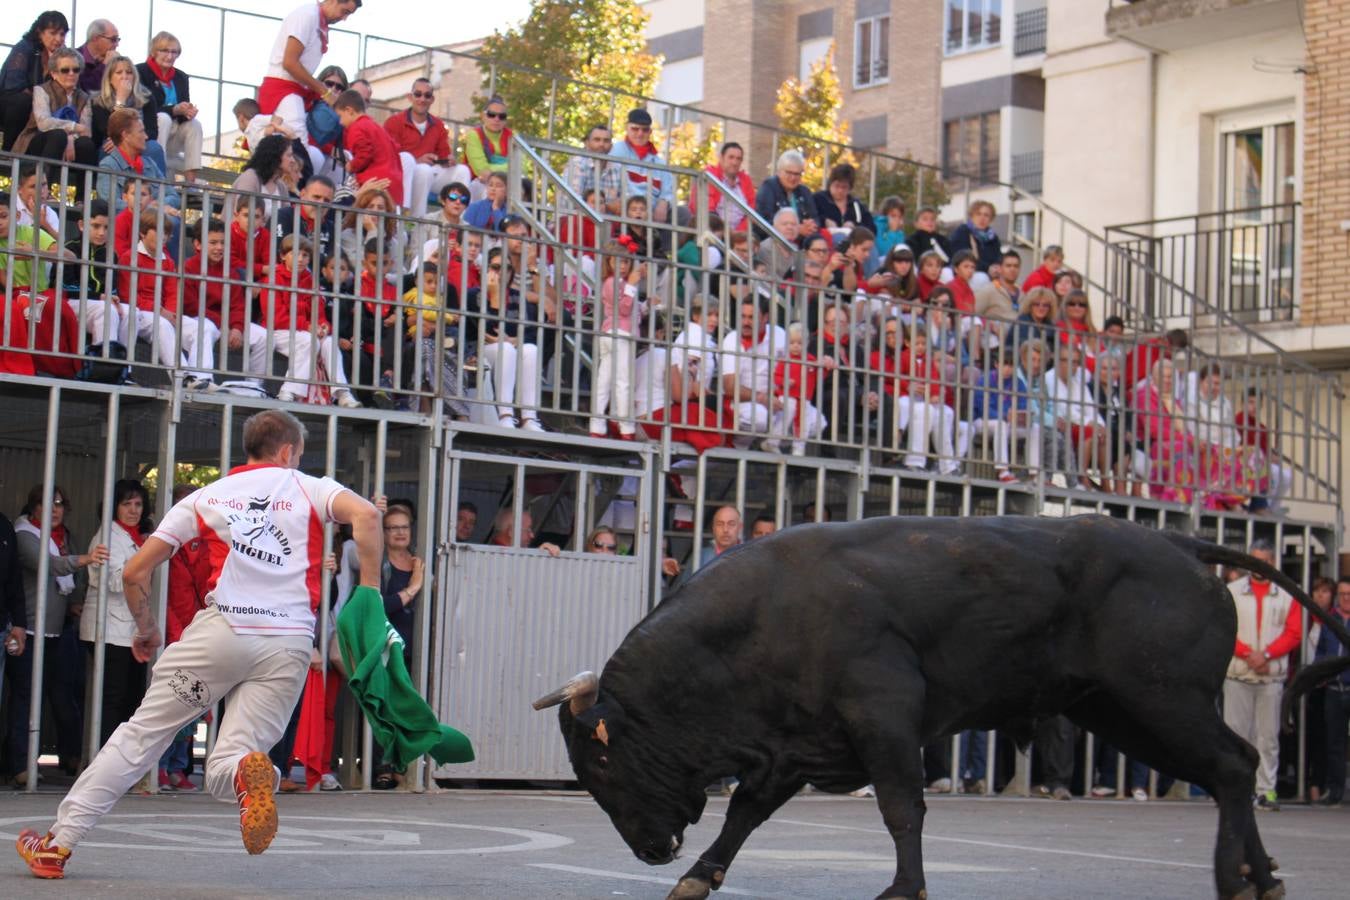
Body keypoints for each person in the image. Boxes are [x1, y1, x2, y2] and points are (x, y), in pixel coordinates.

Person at [15, 410, 383, 877]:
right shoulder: (310, 487)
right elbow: (368, 515)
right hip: (288, 644)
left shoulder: (208, 497)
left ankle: (56, 845)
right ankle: (253, 772)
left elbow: (134, 572)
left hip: (221, 635)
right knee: (228, 762)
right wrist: (368, 593)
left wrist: (146, 627)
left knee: (141, 736)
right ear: (288, 451)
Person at [7, 486, 107, 786]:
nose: (55, 509)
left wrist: (75, 602)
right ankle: (19, 764)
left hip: (58, 630)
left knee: (63, 693)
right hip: (29, 629)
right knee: (25, 697)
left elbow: (71, 581)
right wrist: (86, 559)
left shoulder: (64, 537)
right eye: (48, 503)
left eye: (60, 504)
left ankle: (70, 755)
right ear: (34, 506)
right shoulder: (23, 535)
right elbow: (47, 566)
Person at [1222, 539, 1302, 812]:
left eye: (1263, 559)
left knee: (1267, 738)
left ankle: (1265, 791)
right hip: (1238, 675)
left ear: (1271, 562)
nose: (1257, 564)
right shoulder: (1232, 591)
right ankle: (1235, 790)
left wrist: (1265, 655)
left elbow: (1294, 632)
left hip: (1270, 677)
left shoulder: (1288, 593)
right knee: (1236, 736)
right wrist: (1249, 655)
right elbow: (1225, 627)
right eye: (1253, 558)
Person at [82, 479, 154, 747]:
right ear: (114, 507)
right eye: (127, 504)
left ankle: (120, 760)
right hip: (108, 629)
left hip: (130, 630)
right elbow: (112, 582)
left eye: (138, 504)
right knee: (112, 699)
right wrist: (141, 565)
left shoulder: (137, 538)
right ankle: (103, 759)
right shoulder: (107, 537)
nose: (134, 510)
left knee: (132, 698)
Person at [158, 482, 212, 791]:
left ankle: (178, 765)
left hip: (199, 628)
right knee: (171, 702)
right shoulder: (167, 543)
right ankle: (162, 766)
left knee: (194, 703)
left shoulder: (206, 542)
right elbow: (165, 597)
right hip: (174, 632)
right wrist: (176, 636)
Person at [258, 0, 362, 156]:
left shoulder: (318, 21)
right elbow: (290, 62)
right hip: (284, 90)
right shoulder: (307, 15)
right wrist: (324, 92)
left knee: (303, 154)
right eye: (345, 11)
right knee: (297, 153)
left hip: (295, 92)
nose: (344, 18)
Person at [468, 246, 544, 431]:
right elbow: (480, 330)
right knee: (506, 349)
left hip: (507, 346)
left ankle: (529, 418)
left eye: (507, 268)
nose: (502, 272)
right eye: (496, 267)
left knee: (531, 349)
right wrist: (494, 298)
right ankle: (505, 414)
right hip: (481, 349)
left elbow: (530, 332)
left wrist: (517, 339)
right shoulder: (474, 295)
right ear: (485, 269)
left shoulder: (518, 297)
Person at [384, 77, 471, 218]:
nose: (422, 99)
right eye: (418, 94)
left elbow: (443, 153)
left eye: (427, 95)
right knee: (424, 170)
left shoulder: (438, 125)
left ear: (432, 99)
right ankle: (416, 220)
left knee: (462, 171)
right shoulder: (394, 122)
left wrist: (448, 160)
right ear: (410, 97)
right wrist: (417, 160)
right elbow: (390, 155)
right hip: (406, 174)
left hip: (432, 172)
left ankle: (458, 223)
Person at [15, 48, 98, 182]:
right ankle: (43, 188)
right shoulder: (41, 90)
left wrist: (70, 139)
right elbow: (44, 123)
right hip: (40, 141)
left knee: (85, 143)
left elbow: (86, 131)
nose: (71, 74)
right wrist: (73, 127)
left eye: (75, 70)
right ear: (54, 73)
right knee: (58, 135)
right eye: (65, 70)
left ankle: (81, 199)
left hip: (71, 148)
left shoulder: (84, 98)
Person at [720, 296, 787, 446]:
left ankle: (766, 448)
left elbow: (797, 363)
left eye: (751, 317)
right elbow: (730, 387)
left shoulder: (780, 335)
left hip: (774, 400)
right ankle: (736, 448)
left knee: (813, 422)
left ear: (765, 318)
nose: (745, 322)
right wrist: (763, 398)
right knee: (759, 417)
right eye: (743, 316)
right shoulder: (732, 339)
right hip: (741, 402)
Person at [138, 32, 202, 182]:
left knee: (194, 125)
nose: (170, 56)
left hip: (174, 133)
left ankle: (190, 182)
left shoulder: (181, 77)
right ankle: (157, 175)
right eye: (165, 51)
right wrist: (174, 110)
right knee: (163, 118)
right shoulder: (141, 72)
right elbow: (145, 108)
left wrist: (187, 112)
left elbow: (182, 110)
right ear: (154, 52)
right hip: (151, 131)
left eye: (174, 52)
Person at [1, 11, 69, 153]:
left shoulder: (61, 58)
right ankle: (8, 153)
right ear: (40, 32)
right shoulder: (24, 48)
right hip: (10, 106)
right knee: (22, 101)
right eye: (53, 33)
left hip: (41, 113)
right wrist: (40, 102)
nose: (58, 39)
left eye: (62, 34)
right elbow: (13, 86)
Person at [90, 56, 165, 176]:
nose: (124, 76)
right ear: (109, 78)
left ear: (134, 77)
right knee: (108, 148)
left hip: (140, 142)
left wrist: (133, 140)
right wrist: (121, 100)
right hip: (113, 143)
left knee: (154, 148)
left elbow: (152, 131)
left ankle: (160, 191)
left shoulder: (147, 97)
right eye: (119, 72)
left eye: (129, 72)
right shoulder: (98, 100)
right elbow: (107, 130)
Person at [1312, 577, 1350, 807]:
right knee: (1334, 744)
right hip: (1334, 690)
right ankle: (1335, 791)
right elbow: (1321, 654)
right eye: (1343, 594)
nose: (1346, 598)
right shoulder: (1330, 621)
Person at [770, 321, 832, 455]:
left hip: (804, 399)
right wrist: (785, 381)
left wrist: (826, 367)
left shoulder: (810, 360)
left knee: (804, 423)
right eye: (792, 343)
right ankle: (772, 442)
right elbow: (776, 377)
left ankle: (799, 448)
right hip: (787, 396)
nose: (796, 346)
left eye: (800, 343)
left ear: (807, 343)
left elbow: (818, 376)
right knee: (785, 417)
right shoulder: (785, 360)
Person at [333, 89, 403, 207]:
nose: (340, 122)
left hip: (375, 184)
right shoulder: (376, 126)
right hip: (393, 182)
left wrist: (352, 165)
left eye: (340, 116)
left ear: (349, 111)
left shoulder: (356, 128)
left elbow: (364, 154)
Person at [609, 108, 673, 223]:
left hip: (652, 214)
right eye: (635, 129)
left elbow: (668, 192)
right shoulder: (616, 151)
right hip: (626, 210)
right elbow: (611, 185)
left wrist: (664, 202)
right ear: (627, 128)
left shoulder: (659, 163)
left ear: (650, 132)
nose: (640, 133)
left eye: (645, 130)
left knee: (682, 213)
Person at [755, 150, 821, 238]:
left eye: (797, 174)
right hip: (774, 241)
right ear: (779, 172)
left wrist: (811, 225)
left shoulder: (804, 191)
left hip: (802, 242)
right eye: (789, 173)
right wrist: (797, 229)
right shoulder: (769, 187)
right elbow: (763, 221)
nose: (793, 178)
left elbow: (815, 218)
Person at [693, 142, 756, 232]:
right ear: (721, 158)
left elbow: (751, 212)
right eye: (731, 157)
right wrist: (726, 233)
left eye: (739, 159)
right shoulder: (710, 176)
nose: (735, 162)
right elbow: (708, 210)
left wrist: (738, 233)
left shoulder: (746, 180)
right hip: (713, 231)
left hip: (740, 235)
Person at [563, 124, 622, 214]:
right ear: (587, 143)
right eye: (597, 140)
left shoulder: (618, 168)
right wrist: (606, 206)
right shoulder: (577, 163)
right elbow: (571, 199)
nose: (601, 144)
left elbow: (627, 200)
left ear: (611, 145)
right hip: (574, 220)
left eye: (606, 141)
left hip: (606, 225)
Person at [461, 95, 513, 192]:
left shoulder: (513, 137)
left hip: (507, 184)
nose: (496, 119)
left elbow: (521, 168)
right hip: (477, 183)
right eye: (491, 114)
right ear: (483, 116)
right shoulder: (474, 135)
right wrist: (507, 167)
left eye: (502, 116)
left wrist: (493, 170)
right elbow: (481, 170)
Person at [813, 162, 873, 233]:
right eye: (837, 186)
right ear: (830, 183)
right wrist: (824, 221)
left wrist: (855, 225)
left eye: (844, 187)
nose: (840, 190)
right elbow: (810, 218)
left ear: (850, 188)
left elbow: (871, 228)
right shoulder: (817, 199)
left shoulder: (857, 206)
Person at [487, 508, 560, 557]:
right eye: (528, 530)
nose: (532, 536)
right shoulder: (493, 556)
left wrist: (542, 554)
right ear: (511, 532)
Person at [76, 19, 120, 94]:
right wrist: (105, 65)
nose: (117, 44)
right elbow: (86, 89)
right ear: (95, 38)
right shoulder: (73, 58)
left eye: (118, 39)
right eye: (113, 39)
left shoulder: (112, 59)